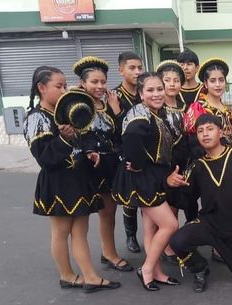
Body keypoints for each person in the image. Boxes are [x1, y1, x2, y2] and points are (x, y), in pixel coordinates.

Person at [24, 66, 120, 293]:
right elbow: (44, 158)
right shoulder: (37, 118)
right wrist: (64, 140)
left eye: (65, 85)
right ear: (41, 88)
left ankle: (90, 276)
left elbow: (82, 139)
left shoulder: (65, 111)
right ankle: (66, 275)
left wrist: (89, 151)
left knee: (80, 232)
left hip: (79, 179)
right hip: (58, 183)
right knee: (61, 232)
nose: (64, 90)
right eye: (59, 86)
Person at [169, 114, 232, 293]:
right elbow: (186, 199)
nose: (205, 134)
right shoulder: (197, 165)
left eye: (210, 129)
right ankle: (200, 269)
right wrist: (170, 183)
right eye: (200, 131)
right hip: (210, 224)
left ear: (221, 132)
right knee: (178, 241)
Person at [112, 72, 183, 292]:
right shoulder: (140, 113)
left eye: (159, 89)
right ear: (141, 94)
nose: (156, 94)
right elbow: (131, 136)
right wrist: (137, 163)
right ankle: (147, 269)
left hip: (149, 177)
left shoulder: (153, 112)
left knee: (151, 228)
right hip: (142, 180)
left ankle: (157, 272)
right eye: (150, 90)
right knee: (170, 225)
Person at [73, 56, 133, 273]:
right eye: (94, 82)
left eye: (103, 82)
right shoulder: (78, 106)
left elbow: (122, 133)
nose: (99, 86)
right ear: (83, 83)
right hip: (91, 165)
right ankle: (99, 258)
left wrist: (116, 110)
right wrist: (89, 150)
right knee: (85, 217)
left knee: (109, 212)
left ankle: (108, 252)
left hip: (110, 164)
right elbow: (79, 135)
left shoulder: (109, 103)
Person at [183, 58, 232, 263]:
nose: (217, 84)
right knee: (208, 205)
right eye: (213, 80)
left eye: (221, 80)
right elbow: (191, 139)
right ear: (205, 83)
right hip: (205, 164)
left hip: (226, 163)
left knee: (225, 204)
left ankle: (221, 244)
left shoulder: (227, 109)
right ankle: (192, 246)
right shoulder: (198, 107)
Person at [156, 60, 189, 263]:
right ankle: (164, 247)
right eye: (167, 80)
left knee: (175, 203)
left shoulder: (185, 107)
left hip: (181, 160)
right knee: (162, 204)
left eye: (176, 80)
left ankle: (171, 242)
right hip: (162, 161)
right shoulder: (156, 108)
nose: (172, 84)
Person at [113, 51, 144, 254]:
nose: (137, 72)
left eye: (140, 68)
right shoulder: (114, 96)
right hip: (125, 152)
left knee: (148, 197)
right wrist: (117, 112)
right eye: (132, 68)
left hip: (146, 151)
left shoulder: (145, 91)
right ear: (121, 70)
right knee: (130, 199)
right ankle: (131, 235)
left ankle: (152, 237)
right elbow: (117, 128)